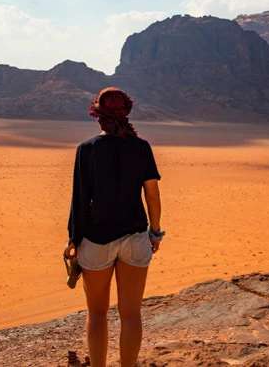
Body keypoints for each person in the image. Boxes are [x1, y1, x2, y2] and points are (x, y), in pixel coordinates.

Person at [65, 86, 164, 367]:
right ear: (126, 113)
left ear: (97, 115)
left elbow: (80, 198)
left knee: (96, 314)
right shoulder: (141, 147)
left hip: (96, 240)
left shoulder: (87, 150)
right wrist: (155, 232)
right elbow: (152, 194)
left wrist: (73, 239)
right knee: (131, 314)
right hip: (135, 238)